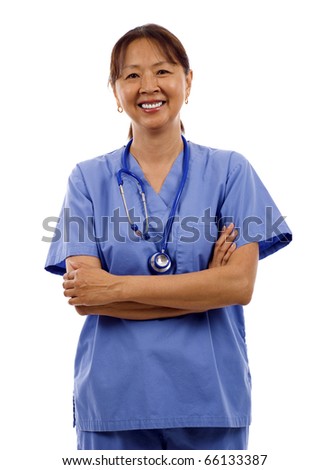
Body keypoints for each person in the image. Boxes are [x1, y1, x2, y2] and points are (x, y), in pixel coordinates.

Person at [45, 23, 292, 450]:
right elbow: (85, 296)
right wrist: (202, 289)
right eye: (131, 75)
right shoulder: (87, 179)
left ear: (188, 81)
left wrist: (116, 288)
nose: (148, 86)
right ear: (115, 90)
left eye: (162, 71)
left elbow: (238, 285)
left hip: (210, 401)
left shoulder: (232, 171)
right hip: (115, 403)